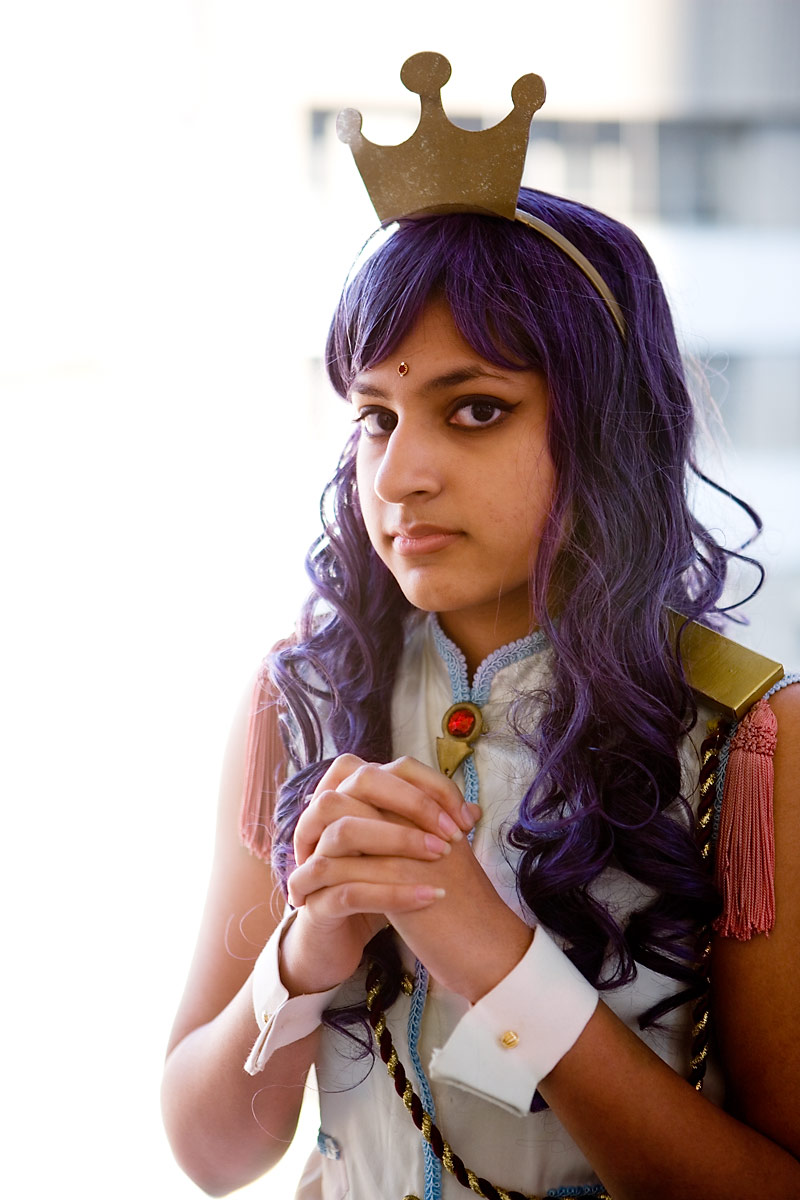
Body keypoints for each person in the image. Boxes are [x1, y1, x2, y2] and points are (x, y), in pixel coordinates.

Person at [161, 56, 800, 1200]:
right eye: (373, 416)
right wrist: (305, 951)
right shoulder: (299, 698)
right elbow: (212, 1157)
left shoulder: (745, 743)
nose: (398, 473)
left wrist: (499, 963)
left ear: (606, 432)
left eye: (473, 410)